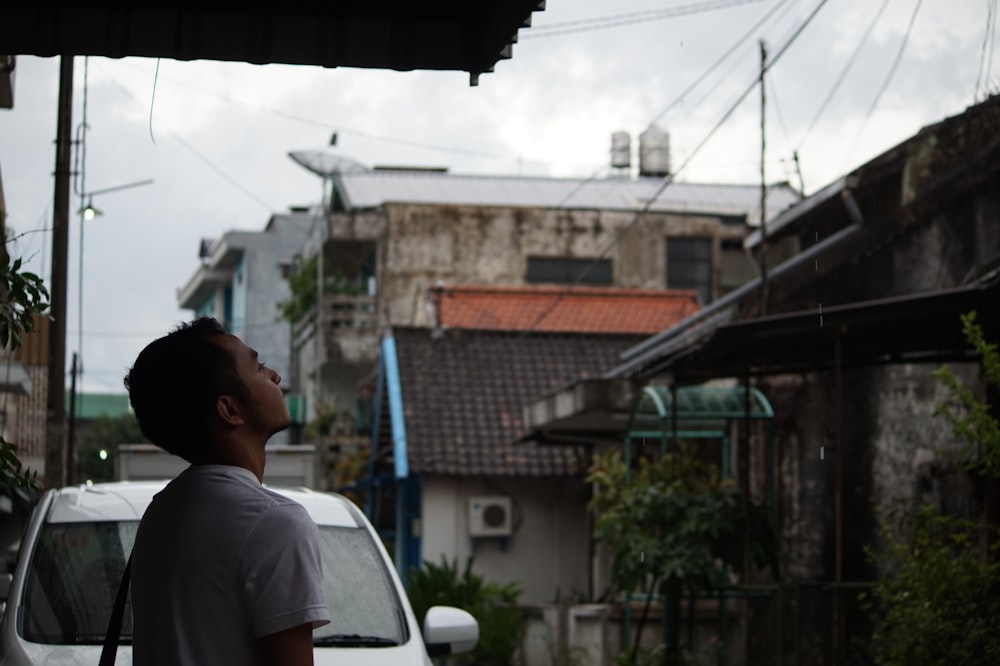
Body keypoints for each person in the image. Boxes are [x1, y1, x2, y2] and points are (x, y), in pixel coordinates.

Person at [124, 317, 330, 665]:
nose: (275, 376)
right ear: (230, 409)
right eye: (259, 367)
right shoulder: (276, 523)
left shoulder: (161, 512)